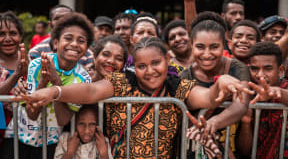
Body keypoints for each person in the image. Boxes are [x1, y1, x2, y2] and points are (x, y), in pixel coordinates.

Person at [14, 37, 253, 159]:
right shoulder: (123, 81)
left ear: (166, 62)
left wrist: (217, 85)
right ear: (134, 67)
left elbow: (206, 98)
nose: (150, 71)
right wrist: (55, 91)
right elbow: (91, 91)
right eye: (142, 65)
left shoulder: (175, 84)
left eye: (156, 63)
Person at [3, 12, 93, 159]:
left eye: (81, 41)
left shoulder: (83, 79)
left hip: (50, 142)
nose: (75, 44)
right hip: (17, 136)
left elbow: (63, 120)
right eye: (68, 38)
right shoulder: (38, 64)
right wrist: (44, 82)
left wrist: (56, 84)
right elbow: (32, 114)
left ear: (87, 48)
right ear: (56, 43)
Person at [180, 12, 251, 157]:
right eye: (200, 47)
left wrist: (215, 122)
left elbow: (242, 103)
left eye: (214, 47)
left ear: (224, 46)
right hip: (191, 149)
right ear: (192, 46)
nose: (207, 54)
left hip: (227, 149)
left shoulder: (237, 68)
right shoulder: (185, 75)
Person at [240, 41, 288, 158]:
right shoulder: (247, 95)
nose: (260, 75)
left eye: (268, 69)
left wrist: (279, 94)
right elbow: (245, 152)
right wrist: (246, 122)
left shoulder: (284, 88)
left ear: (280, 70)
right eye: (254, 69)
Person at [28, 4, 94, 70]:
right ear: (50, 24)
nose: (62, 21)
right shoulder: (36, 52)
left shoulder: (88, 55)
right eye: (57, 18)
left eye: (67, 18)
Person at [0, 11, 28, 148]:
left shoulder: (32, 62)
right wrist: (17, 74)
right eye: (1, 34)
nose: (7, 39)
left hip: (27, 136)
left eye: (12, 33)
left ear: (20, 36)